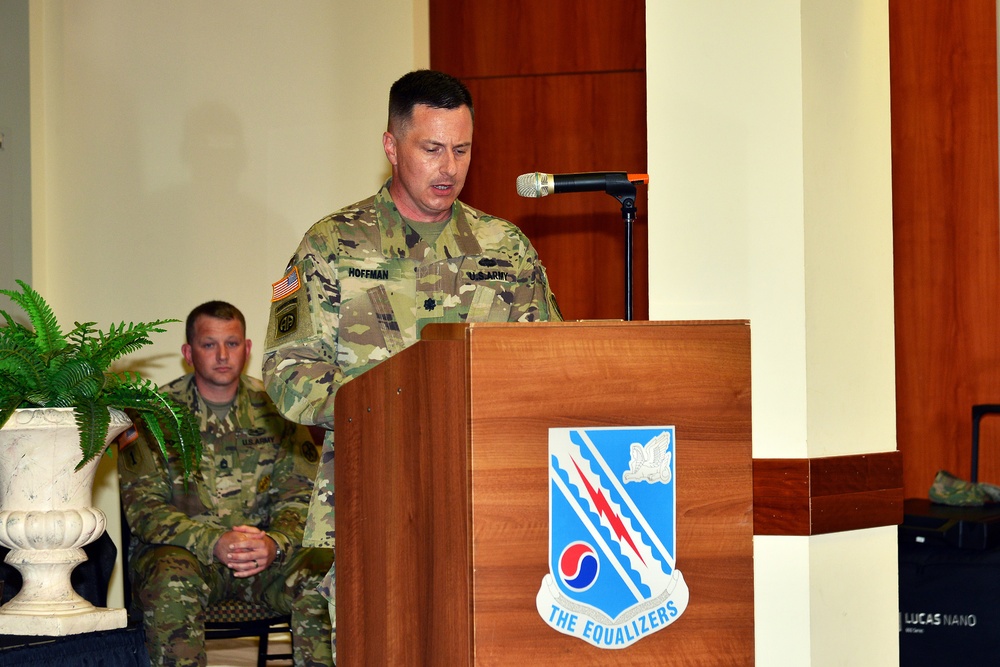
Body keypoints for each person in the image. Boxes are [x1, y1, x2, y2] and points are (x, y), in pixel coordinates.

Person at [261, 69, 562, 653]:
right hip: (371, 501)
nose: (448, 167)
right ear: (392, 146)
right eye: (431, 149)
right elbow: (287, 371)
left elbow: (547, 367)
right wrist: (389, 400)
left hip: (490, 508)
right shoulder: (329, 245)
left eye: (461, 149)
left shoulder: (507, 248)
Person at [118, 301, 334, 667]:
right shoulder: (154, 415)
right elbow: (145, 511)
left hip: (262, 559)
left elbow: (301, 498)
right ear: (188, 353)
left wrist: (274, 544)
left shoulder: (278, 409)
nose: (222, 355)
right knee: (171, 582)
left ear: (247, 350)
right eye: (208, 344)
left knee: (322, 575)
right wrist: (214, 542)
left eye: (232, 344)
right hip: (184, 555)